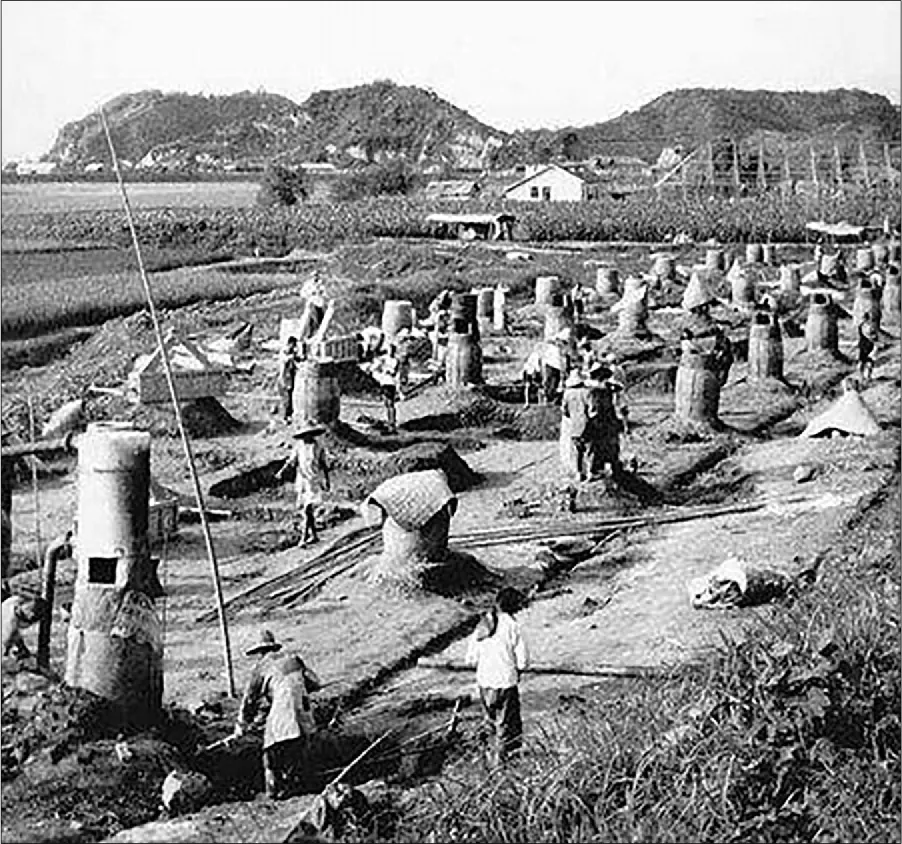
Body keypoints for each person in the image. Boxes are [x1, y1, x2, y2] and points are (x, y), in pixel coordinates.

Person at [233, 630, 322, 799]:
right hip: (303, 709)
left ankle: (273, 792)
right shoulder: (294, 659)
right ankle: (295, 784)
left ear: (259, 652)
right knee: (296, 747)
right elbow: (315, 683)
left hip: (284, 710)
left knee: (270, 750)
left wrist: (241, 726)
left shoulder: (261, 668)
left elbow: (250, 701)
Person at [465, 587, 530, 766]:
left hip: (485, 682)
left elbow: (470, 659)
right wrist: (517, 670)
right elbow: (523, 661)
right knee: (505, 724)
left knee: (490, 722)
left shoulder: (483, 625)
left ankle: (489, 759)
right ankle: (502, 763)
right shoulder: (514, 627)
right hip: (505, 682)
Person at [276, 424, 331, 547]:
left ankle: (304, 537)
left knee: (308, 509)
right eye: (304, 435)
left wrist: (327, 480)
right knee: (307, 510)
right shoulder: (299, 447)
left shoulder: (318, 447)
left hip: (314, 480)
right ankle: (314, 535)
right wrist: (281, 471)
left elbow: (324, 464)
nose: (307, 437)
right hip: (302, 480)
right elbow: (291, 461)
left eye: (309, 435)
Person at [560, 371, 597, 482]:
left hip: (574, 426)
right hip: (586, 424)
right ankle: (590, 472)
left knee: (577, 451)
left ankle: (579, 473)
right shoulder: (587, 393)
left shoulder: (567, 394)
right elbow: (592, 411)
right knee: (589, 450)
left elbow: (564, 411)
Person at [370, 343, 403, 433]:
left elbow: (393, 372)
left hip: (388, 382)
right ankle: (391, 423)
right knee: (388, 404)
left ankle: (391, 424)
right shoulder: (388, 359)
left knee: (389, 404)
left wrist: (384, 369)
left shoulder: (391, 360)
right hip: (386, 382)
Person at [2, 594, 45, 659]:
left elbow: (15, 633)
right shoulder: (7, 627)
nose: (31, 614)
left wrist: (22, 648)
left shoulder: (13, 602)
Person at [277, 337, 301, 424]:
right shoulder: (285, 352)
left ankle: (289, 416)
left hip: (289, 379)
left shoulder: (291, 353)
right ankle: (284, 417)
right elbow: (284, 362)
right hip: (284, 379)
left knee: (290, 399)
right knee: (286, 400)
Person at [857, 314, 877, 384]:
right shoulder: (863, 326)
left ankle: (868, 376)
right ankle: (862, 376)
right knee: (863, 361)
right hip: (864, 345)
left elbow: (874, 336)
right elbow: (868, 335)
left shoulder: (871, 326)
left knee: (870, 361)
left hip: (868, 345)